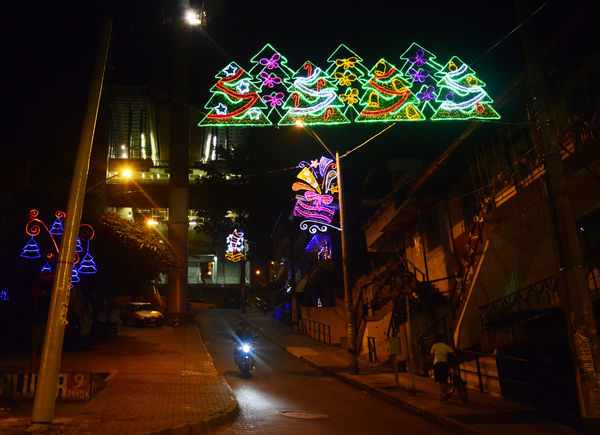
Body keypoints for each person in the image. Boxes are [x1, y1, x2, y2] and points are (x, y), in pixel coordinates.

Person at [430, 334, 455, 402]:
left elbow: (432, 356)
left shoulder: (434, 346)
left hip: (437, 363)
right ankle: (445, 393)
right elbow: (453, 353)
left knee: (438, 380)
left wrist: (432, 363)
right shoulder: (446, 346)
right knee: (444, 379)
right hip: (444, 363)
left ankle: (444, 393)